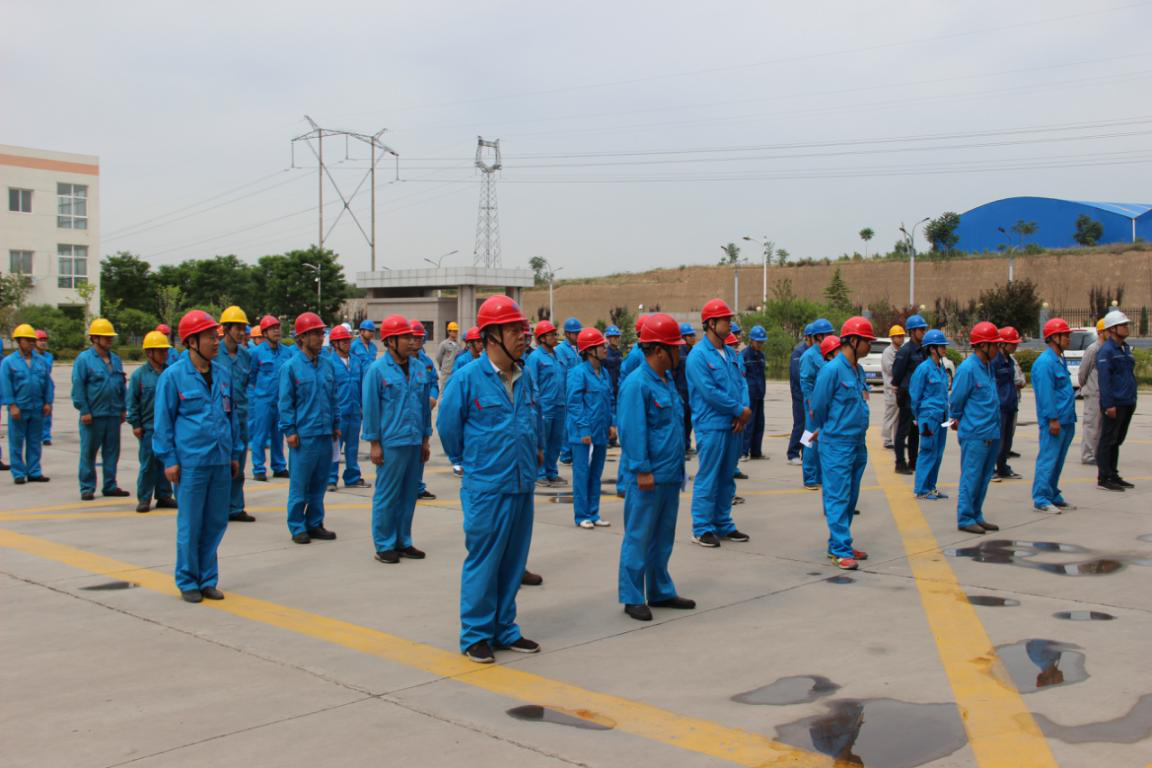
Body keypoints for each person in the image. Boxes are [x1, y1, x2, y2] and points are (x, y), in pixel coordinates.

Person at [437, 295, 543, 664]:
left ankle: (504, 629)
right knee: (484, 561)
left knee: (513, 562)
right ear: (492, 336)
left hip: (521, 483)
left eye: (523, 330)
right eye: (514, 330)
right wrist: (470, 462)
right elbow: (448, 428)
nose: (522, 337)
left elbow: (532, 421)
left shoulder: (525, 375)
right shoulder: (467, 379)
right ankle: (476, 634)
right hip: (486, 487)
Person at [153, 310, 243, 603]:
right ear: (191, 341)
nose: (215, 342)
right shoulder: (173, 377)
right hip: (191, 463)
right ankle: (188, 579)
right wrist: (169, 459)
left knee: (216, 522)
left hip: (220, 459)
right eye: (209, 337)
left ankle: (207, 579)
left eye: (216, 337)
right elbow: (163, 422)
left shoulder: (223, 374)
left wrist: (234, 453)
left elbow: (231, 417)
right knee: (191, 525)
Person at [617, 313, 695, 621]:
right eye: (675, 348)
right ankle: (632, 596)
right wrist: (641, 469)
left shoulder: (666, 380)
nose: (679, 353)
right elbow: (632, 430)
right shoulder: (637, 384)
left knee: (663, 537)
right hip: (648, 476)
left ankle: (660, 590)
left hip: (669, 473)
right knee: (638, 537)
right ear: (659, 350)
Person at [362, 315, 431, 563]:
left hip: (414, 441)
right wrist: (374, 444)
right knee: (387, 495)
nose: (412, 341)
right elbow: (371, 409)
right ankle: (384, 544)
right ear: (390, 341)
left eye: (412, 337)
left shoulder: (419, 368)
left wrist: (425, 439)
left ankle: (404, 541)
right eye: (405, 338)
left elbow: (424, 408)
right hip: (391, 442)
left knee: (409, 495)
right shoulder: (377, 370)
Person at [686, 298, 751, 548]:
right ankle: (702, 527)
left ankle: (723, 523)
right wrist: (738, 410)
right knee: (709, 476)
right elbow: (709, 392)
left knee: (726, 478)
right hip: (712, 425)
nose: (730, 324)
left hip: (734, 424)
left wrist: (743, 411)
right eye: (726, 320)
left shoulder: (732, 354)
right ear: (711, 324)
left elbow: (742, 383)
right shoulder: (698, 356)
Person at [810, 318, 873, 570]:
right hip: (837, 444)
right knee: (837, 497)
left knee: (850, 497)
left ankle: (839, 542)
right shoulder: (832, 370)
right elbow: (818, 407)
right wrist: (831, 429)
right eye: (867, 341)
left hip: (857, 443)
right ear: (853, 341)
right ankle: (839, 549)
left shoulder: (858, 370)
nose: (869, 346)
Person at [279, 312, 339, 544]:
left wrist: (336, 424)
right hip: (304, 435)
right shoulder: (291, 367)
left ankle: (315, 523)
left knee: (319, 484)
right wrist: (290, 430)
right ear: (302, 337)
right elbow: (286, 402)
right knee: (300, 484)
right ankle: (297, 526)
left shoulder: (327, 364)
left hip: (325, 433)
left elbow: (333, 398)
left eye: (321, 333)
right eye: (315, 333)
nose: (321, 337)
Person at [950, 321, 1002, 535]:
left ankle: (976, 514)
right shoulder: (968, 369)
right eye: (994, 344)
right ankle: (965, 517)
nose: (998, 348)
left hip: (991, 431)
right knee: (971, 477)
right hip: (975, 434)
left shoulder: (988, 367)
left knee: (984, 477)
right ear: (983, 345)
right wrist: (956, 419)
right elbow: (956, 399)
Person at [72, 318, 129, 500]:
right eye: (106, 337)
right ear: (95, 338)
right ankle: (87, 487)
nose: (110, 340)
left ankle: (110, 485)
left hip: (112, 414)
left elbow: (121, 385)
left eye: (111, 337)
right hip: (93, 415)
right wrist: (84, 410)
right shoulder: (84, 359)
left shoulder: (116, 360)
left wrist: (123, 408)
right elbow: (78, 386)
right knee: (89, 452)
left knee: (112, 451)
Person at [567, 326, 616, 529]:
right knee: (582, 475)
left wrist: (612, 423)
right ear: (589, 350)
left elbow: (610, 400)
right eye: (601, 346)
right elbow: (574, 404)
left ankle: (594, 513)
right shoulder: (578, 373)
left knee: (596, 474)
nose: (605, 348)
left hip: (601, 432)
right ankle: (582, 515)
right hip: (583, 435)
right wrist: (584, 429)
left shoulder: (604, 373)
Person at [1031, 318, 1078, 514]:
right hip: (1055, 420)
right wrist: (1052, 419)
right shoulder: (1045, 363)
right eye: (1065, 335)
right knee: (1048, 459)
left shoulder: (1059, 359)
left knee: (1058, 461)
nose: (1068, 338)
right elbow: (1045, 394)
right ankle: (1041, 497)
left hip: (1066, 419)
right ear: (1053, 338)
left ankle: (1052, 493)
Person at [126, 331, 176, 511]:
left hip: (167, 428)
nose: (164, 354)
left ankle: (164, 496)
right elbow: (132, 402)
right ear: (149, 353)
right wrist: (136, 424)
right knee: (148, 465)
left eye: (165, 350)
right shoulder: (139, 375)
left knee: (165, 462)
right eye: (160, 351)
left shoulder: (171, 373)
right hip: (148, 428)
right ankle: (144, 498)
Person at [216, 306, 256, 522]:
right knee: (221, 465)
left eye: (243, 328)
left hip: (241, 417)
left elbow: (247, 384)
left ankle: (236, 507)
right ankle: (219, 508)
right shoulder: (215, 354)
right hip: (220, 419)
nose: (241, 332)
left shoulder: (246, 356)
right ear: (225, 329)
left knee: (238, 465)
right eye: (237, 328)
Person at [2, 324, 53, 484]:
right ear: (19, 341)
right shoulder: (9, 362)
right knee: (16, 442)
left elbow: (48, 383)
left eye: (32, 340)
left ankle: (34, 471)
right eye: (27, 340)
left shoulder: (41, 361)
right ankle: (18, 473)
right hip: (19, 408)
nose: (31, 343)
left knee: (35, 442)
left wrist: (48, 402)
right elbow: (5, 385)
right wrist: (12, 405)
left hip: (37, 408)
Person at [1096, 309, 1137, 492]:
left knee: (1117, 440)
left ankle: (1113, 473)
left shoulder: (1125, 348)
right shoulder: (1106, 351)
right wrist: (1108, 405)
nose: (1127, 327)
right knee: (1108, 440)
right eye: (1123, 325)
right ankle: (1104, 477)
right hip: (1115, 403)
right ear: (1112, 329)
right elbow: (1104, 381)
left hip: (1127, 401)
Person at [326, 324, 369, 491]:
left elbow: (361, 386)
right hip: (339, 414)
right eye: (343, 341)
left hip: (355, 412)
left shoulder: (356, 361)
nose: (347, 343)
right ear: (335, 343)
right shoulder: (329, 363)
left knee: (353, 447)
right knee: (335, 449)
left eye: (348, 340)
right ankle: (330, 479)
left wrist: (362, 408)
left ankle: (353, 477)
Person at [909, 330, 950, 500]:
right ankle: (921, 489)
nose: (945, 348)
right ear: (932, 348)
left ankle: (931, 487)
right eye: (942, 346)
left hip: (942, 416)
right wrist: (918, 417)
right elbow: (915, 395)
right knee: (927, 451)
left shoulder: (941, 368)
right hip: (928, 417)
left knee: (938, 453)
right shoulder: (923, 369)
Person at [526, 321, 566, 487]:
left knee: (556, 442)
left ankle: (551, 472)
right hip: (545, 407)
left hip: (560, 405)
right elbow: (532, 382)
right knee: (542, 442)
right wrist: (536, 406)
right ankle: (540, 473)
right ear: (542, 338)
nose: (555, 337)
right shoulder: (535, 358)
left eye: (555, 334)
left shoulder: (557, 356)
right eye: (551, 335)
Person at [249, 314, 290, 481]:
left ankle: (279, 466)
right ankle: (259, 468)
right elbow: (252, 376)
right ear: (264, 333)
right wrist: (261, 392)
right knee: (260, 435)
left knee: (278, 436)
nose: (276, 331)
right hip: (263, 401)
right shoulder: (256, 353)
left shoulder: (286, 352)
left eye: (277, 328)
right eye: (272, 329)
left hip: (281, 401)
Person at [799, 318, 835, 490]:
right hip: (812, 405)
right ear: (819, 336)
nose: (831, 337)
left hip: (825, 404)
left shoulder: (827, 354)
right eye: (828, 334)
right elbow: (805, 382)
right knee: (809, 440)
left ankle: (820, 476)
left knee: (822, 439)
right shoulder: (809, 356)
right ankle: (809, 477)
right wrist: (811, 404)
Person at [891, 314, 927, 475]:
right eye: (921, 330)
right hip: (907, 396)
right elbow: (897, 374)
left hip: (918, 398)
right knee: (902, 431)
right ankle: (900, 463)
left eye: (924, 329)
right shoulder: (905, 351)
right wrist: (901, 390)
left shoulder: (923, 350)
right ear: (912, 331)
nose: (923, 332)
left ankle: (913, 461)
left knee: (914, 431)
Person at [411, 320, 440, 501]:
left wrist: (433, 396)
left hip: (424, 414)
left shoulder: (427, 362)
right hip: (407, 416)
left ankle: (417, 486)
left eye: (419, 338)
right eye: (413, 337)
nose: (416, 341)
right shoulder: (403, 362)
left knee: (422, 451)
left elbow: (434, 383)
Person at [992, 326, 1023, 481]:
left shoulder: (1010, 361)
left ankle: (1003, 467)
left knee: (1007, 441)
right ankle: (991, 469)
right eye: (1013, 343)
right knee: (998, 440)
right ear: (1003, 344)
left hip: (1011, 404)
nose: (1015, 346)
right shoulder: (994, 361)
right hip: (1000, 406)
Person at [1077, 319, 1107, 466]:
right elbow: (1083, 372)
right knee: (1092, 425)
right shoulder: (1093, 349)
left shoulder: (1107, 349)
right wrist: (1086, 386)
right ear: (1101, 332)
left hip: (1104, 393)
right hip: (1093, 393)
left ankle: (1097, 453)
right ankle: (1088, 456)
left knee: (1101, 426)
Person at [556, 318, 583, 465]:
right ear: (567, 334)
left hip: (579, 390)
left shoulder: (580, 348)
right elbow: (560, 375)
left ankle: (572, 451)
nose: (578, 335)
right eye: (575, 333)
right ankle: (566, 453)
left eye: (579, 332)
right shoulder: (560, 350)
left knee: (576, 421)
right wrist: (564, 394)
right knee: (568, 424)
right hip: (568, 392)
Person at [786, 325, 811, 466]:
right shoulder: (798, 353)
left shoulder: (817, 353)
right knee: (800, 424)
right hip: (799, 396)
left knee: (810, 426)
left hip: (811, 396)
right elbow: (798, 375)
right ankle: (793, 453)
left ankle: (805, 452)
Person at [742, 325, 768, 459]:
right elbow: (741, 377)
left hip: (759, 394)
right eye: (758, 342)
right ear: (751, 340)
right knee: (749, 424)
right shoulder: (744, 355)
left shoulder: (761, 355)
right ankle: (743, 452)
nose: (760, 344)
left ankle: (756, 452)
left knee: (759, 424)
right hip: (749, 396)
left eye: (762, 342)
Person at [881, 325, 906, 450]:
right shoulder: (888, 352)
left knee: (899, 417)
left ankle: (897, 439)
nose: (901, 338)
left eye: (902, 336)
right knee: (890, 415)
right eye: (898, 336)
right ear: (892, 338)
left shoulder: (902, 351)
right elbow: (891, 370)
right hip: (891, 389)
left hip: (900, 389)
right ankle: (887, 440)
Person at [676, 323, 697, 455]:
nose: (692, 338)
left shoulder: (693, 351)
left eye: (693, 335)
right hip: (681, 391)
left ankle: (687, 445)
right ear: (683, 337)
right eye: (689, 335)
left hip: (690, 392)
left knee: (689, 421)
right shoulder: (679, 352)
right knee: (681, 421)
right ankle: (681, 448)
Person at [34, 330, 53, 446]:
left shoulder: (48, 356)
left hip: (45, 385)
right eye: (40, 340)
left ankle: (46, 436)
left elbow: (47, 369)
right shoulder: (30, 355)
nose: (43, 342)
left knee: (47, 413)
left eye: (44, 340)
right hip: (34, 386)